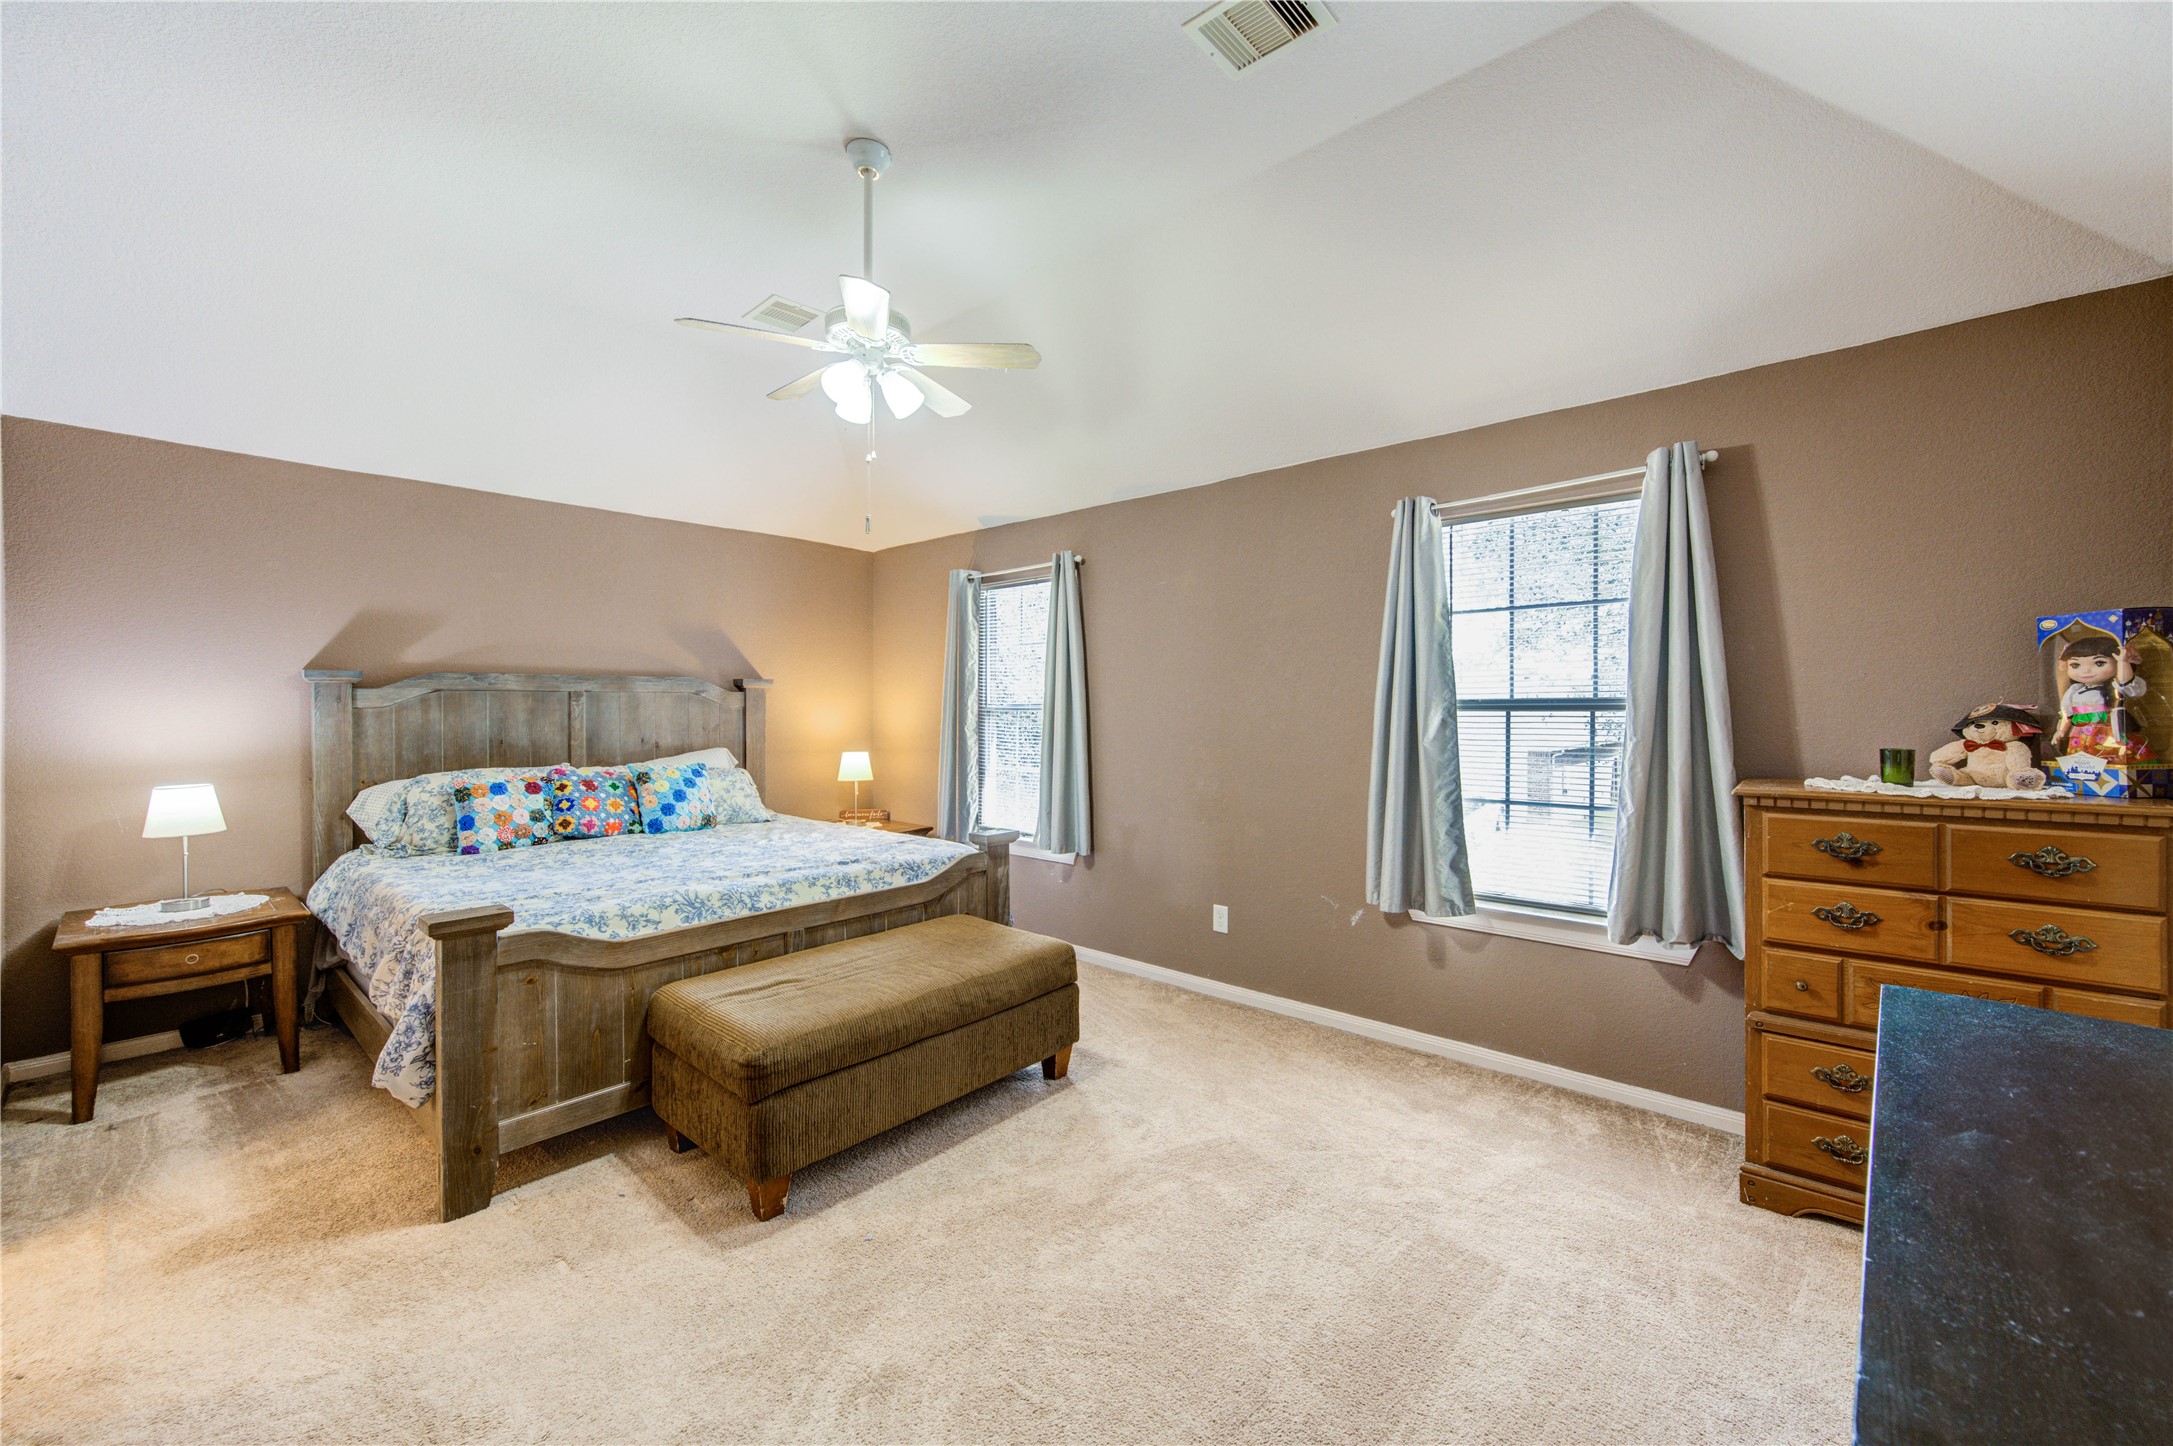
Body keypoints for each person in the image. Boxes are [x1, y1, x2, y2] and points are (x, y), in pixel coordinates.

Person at [2052, 638, 2152, 761]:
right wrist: (2061, 730)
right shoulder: (2074, 691)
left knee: (2113, 753)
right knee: (2083, 759)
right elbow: (2067, 715)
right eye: (2075, 665)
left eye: (2099, 663)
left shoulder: (2114, 688)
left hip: (2109, 730)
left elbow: (2125, 682)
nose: (2085, 670)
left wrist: (2123, 663)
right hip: (2081, 733)